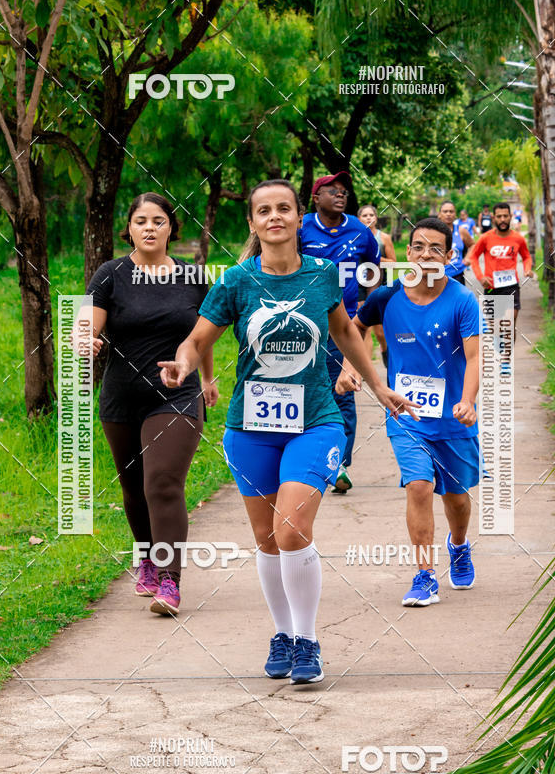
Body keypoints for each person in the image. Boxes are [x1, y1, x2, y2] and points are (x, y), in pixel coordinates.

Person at [159, 179, 418, 682]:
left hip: (316, 421)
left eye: (284, 208)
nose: (274, 216)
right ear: (253, 223)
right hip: (250, 426)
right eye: (264, 210)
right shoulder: (236, 280)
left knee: (291, 530)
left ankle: (308, 640)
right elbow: (196, 338)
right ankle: (282, 635)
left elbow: (344, 330)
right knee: (266, 538)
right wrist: (185, 365)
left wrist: (379, 386)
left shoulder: (323, 274)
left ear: (299, 218)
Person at [76, 192, 218, 616]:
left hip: (177, 394)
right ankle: (147, 558)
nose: (150, 227)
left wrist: (207, 379)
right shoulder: (110, 274)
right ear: (130, 228)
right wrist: (86, 341)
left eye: (158, 220)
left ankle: (170, 581)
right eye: (141, 221)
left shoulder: (193, 277)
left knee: (162, 483)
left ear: (172, 228)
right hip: (121, 398)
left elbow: (203, 334)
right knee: (134, 490)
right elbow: (85, 324)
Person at [347, 217, 481, 607]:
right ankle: (424, 576)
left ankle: (459, 544)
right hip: (406, 414)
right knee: (419, 486)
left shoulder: (462, 301)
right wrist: (350, 368)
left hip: (454, 417)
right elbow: (353, 329)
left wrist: (468, 401)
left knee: (456, 496)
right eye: (419, 247)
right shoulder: (385, 298)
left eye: (435, 248)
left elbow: (474, 358)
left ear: (449, 255)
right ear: (407, 253)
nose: (426, 255)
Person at [300, 172, 381, 494]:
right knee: (305, 391)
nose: (341, 195)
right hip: (303, 325)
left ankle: (339, 464)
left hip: (343, 327)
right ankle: (304, 456)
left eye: (344, 191)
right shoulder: (300, 228)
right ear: (316, 198)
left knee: (343, 392)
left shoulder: (361, 232)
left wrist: (370, 313)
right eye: (332, 191)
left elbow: (372, 275)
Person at [468, 201, 535, 339]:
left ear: (510, 216)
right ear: (494, 218)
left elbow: (526, 256)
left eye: (505, 216)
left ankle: (506, 359)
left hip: (511, 286)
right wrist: (480, 277)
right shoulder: (486, 238)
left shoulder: (518, 239)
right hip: (491, 286)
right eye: (499, 216)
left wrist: (527, 269)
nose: (502, 220)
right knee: (495, 327)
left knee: (509, 323)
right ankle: (498, 356)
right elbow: (473, 257)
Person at [357, 204, 396, 369]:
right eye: (364, 215)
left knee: (380, 332)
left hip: (380, 283)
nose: (368, 218)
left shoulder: (384, 237)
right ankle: (365, 368)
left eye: (371, 215)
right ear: (359, 219)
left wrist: (375, 259)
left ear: (376, 218)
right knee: (363, 327)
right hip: (359, 283)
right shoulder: (355, 237)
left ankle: (387, 355)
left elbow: (393, 262)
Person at [438, 201, 475, 285]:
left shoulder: (461, 230)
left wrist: (468, 258)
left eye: (451, 211)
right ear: (439, 214)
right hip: (437, 276)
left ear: (455, 214)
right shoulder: (432, 231)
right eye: (445, 211)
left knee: (459, 298)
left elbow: (473, 245)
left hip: (457, 275)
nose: (448, 214)